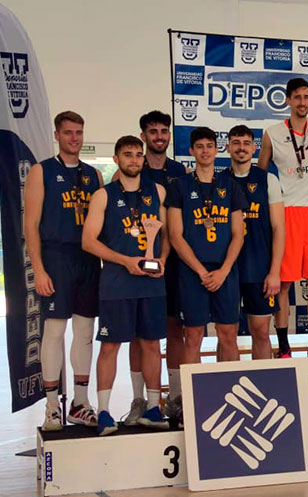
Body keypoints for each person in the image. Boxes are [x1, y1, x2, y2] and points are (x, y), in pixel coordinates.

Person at [82, 135, 169, 435]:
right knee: (110, 346)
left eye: (137, 154)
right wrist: (124, 260)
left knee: (151, 344)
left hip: (151, 284)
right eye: (127, 154)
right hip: (117, 283)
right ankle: (104, 412)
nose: (133, 159)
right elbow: (88, 241)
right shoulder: (103, 196)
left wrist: (163, 261)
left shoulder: (157, 192)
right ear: (116, 160)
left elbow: (167, 235)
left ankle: (154, 407)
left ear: (144, 159)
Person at [24, 111, 103, 431]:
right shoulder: (41, 172)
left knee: (85, 332)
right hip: (56, 257)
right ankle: (52, 405)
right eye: (68, 133)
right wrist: (39, 270)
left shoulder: (95, 175)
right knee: (54, 331)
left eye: (79, 132)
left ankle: (80, 403)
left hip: (87, 259)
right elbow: (30, 226)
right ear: (57, 135)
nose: (75, 138)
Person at [257, 78, 308, 357]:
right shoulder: (272, 133)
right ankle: (284, 346)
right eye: (298, 97)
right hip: (287, 212)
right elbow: (260, 173)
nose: (303, 102)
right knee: (284, 283)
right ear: (287, 100)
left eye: (307, 97)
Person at [125, 110, 188, 426]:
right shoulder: (134, 169)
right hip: (138, 265)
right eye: (153, 131)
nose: (159, 136)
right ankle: (139, 401)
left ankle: (175, 398)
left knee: (176, 329)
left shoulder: (180, 172)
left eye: (164, 131)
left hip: (175, 263)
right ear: (143, 135)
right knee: (139, 334)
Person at [166, 127, 246, 370]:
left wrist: (223, 271)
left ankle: (231, 389)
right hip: (192, 273)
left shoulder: (229, 185)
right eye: (199, 147)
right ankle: (193, 402)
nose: (204, 151)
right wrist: (201, 272)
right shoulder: (179, 186)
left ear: (217, 149)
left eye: (209, 146)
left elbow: (238, 235)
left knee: (229, 335)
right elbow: (175, 236)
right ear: (191, 150)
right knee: (192, 337)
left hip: (225, 272)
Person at [227, 125, 284, 359]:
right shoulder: (218, 180)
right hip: (227, 270)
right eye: (236, 143)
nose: (241, 148)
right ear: (228, 146)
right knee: (226, 333)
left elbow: (279, 227)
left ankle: (266, 387)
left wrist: (275, 271)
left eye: (246, 143)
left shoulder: (267, 179)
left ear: (253, 148)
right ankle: (225, 388)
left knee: (260, 331)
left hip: (259, 269)